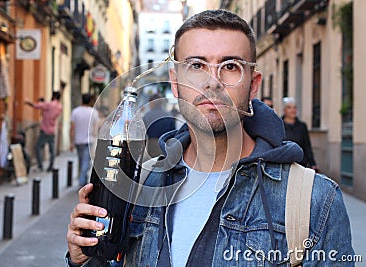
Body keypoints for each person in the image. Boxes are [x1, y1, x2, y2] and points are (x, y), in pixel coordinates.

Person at [66, 10, 354, 266]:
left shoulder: (315, 200)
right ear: (175, 83)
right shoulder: (142, 186)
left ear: (253, 86)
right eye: (196, 66)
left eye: (230, 66)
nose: (212, 81)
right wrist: (84, 259)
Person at [25, 91, 62, 172]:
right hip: (52, 130)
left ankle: (40, 165)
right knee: (52, 150)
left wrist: (27, 102)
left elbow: (36, 106)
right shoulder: (60, 107)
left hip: (45, 130)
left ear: (54, 96)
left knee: (38, 147)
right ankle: (51, 166)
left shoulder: (49, 104)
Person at [70, 93, 101, 187]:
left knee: (81, 160)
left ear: (82, 100)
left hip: (77, 141)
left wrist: (71, 142)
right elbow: (96, 127)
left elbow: (72, 128)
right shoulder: (93, 112)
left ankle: (82, 179)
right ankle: (81, 181)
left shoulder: (75, 111)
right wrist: (95, 136)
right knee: (85, 162)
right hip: (88, 140)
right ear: (91, 101)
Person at [282, 97, 319, 171]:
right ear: (284, 110)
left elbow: (307, 146)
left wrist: (312, 164)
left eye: (294, 107)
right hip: (284, 165)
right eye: (289, 107)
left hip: (300, 164)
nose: (293, 110)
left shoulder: (302, 126)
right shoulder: (279, 125)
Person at [143, 93, 176, 157]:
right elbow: (174, 132)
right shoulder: (169, 115)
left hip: (153, 144)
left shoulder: (148, 115)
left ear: (152, 103)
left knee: (154, 162)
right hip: (166, 144)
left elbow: (142, 132)